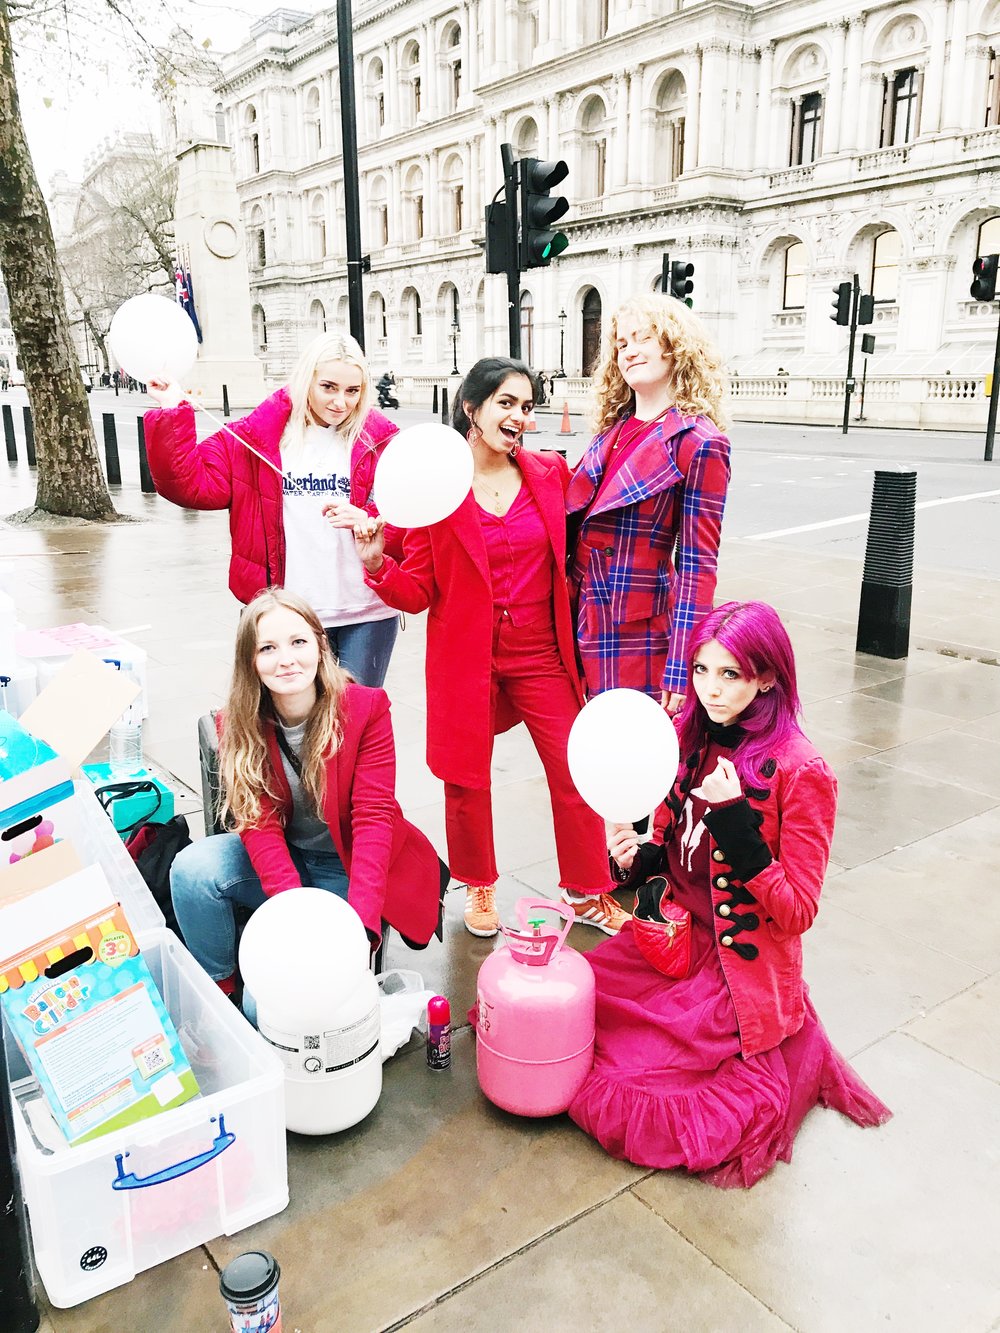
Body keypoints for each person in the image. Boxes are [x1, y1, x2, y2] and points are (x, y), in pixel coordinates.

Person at [568, 601, 891, 1187]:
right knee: (571, 1016)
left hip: (735, 967)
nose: (710, 691)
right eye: (700, 671)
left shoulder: (802, 770)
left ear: (766, 676)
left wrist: (736, 823)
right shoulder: (688, 740)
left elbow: (797, 910)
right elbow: (671, 851)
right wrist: (634, 861)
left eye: (730, 675)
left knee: (657, 1094)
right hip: (672, 939)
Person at [351, 357, 628, 939]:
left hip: (541, 654)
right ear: (471, 409)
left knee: (574, 770)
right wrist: (376, 561)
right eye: (506, 402)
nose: (521, 417)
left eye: (527, 406)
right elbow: (418, 590)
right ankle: (478, 883)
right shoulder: (439, 492)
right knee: (466, 776)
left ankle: (586, 888)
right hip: (465, 658)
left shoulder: (550, 475)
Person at [170, 589, 445, 994]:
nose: (286, 659)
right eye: (268, 647)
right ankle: (219, 986)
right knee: (192, 870)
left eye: (298, 642)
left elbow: (373, 819)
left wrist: (361, 927)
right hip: (286, 856)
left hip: (347, 863)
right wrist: (294, 915)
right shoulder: (238, 723)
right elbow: (257, 822)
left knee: (272, 1007)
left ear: (319, 645)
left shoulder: (365, 709)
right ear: (251, 661)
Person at [144, 331, 402, 687]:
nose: (340, 402)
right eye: (328, 387)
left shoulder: (382, 439)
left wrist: (371, 518)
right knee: (293, 725)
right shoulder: (256, 437)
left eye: (352, 391)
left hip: (367, 613)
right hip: (288, 616)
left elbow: (410, 520)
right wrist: (172, 408)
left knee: (356, 723)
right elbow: (190, 485)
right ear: (306, 379)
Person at [566, 294, 732, 712]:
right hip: (578, 613)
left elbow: (698, 563)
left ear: (675, 347)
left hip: (639, 628)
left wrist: (682, 664)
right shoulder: (611, 431)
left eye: (643, 338)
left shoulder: (699, 441)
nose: (629, 351)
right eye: (622, 344)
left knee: (633, 758)